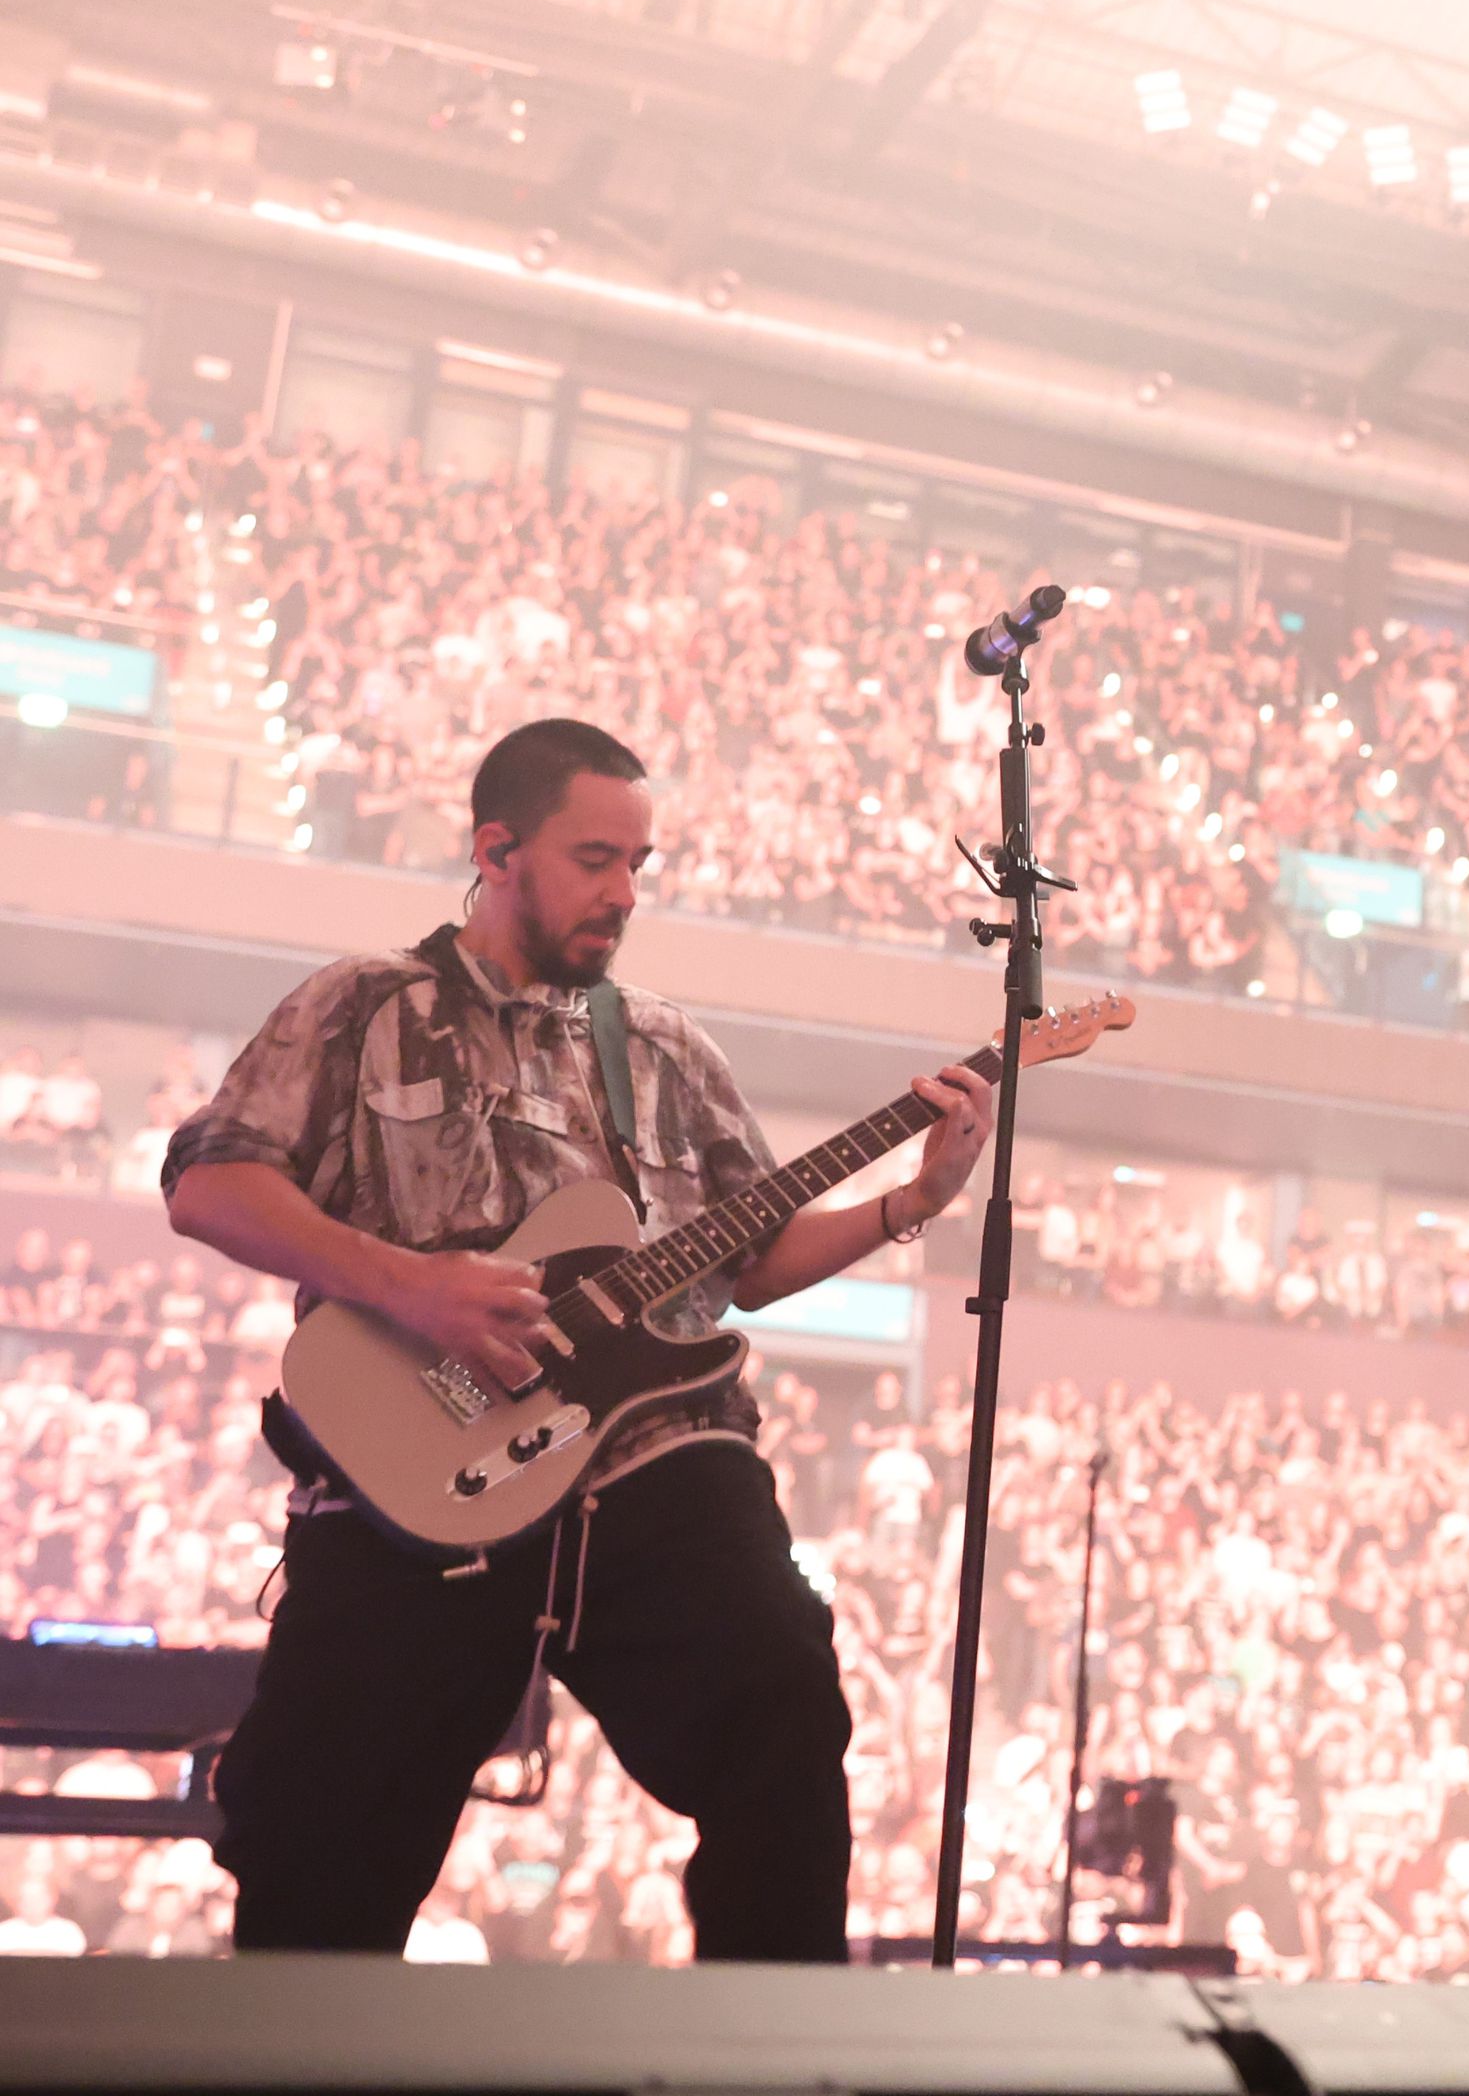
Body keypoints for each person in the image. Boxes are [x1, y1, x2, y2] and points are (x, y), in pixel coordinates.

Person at [160, 718, 996, 1959]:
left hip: (650, 1467)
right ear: (497, 850)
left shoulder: (662, 1048)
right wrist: (410, 1287)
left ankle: (775, 2052)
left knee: (782, 1702)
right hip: (412, 1483)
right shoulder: (362, 1006)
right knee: (315, 1852)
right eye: (595, 858)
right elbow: (209, 1188)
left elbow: (751, 1264)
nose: (623, 893)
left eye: (640, 864)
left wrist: (910, 1203)